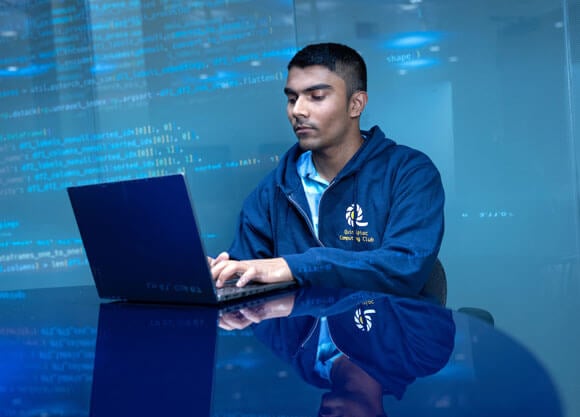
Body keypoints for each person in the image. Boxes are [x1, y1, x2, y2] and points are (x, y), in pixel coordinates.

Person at [211, 42, 444, 300]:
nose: (297, 110)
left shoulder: (409, 173)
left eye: (316, 97)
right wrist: (225, 274)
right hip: (298, 336)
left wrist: (295, 266)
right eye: (291, 99)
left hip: (386, 334)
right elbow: (250, 275)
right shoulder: (273, 189)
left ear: (356, 104)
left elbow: (404, 268)